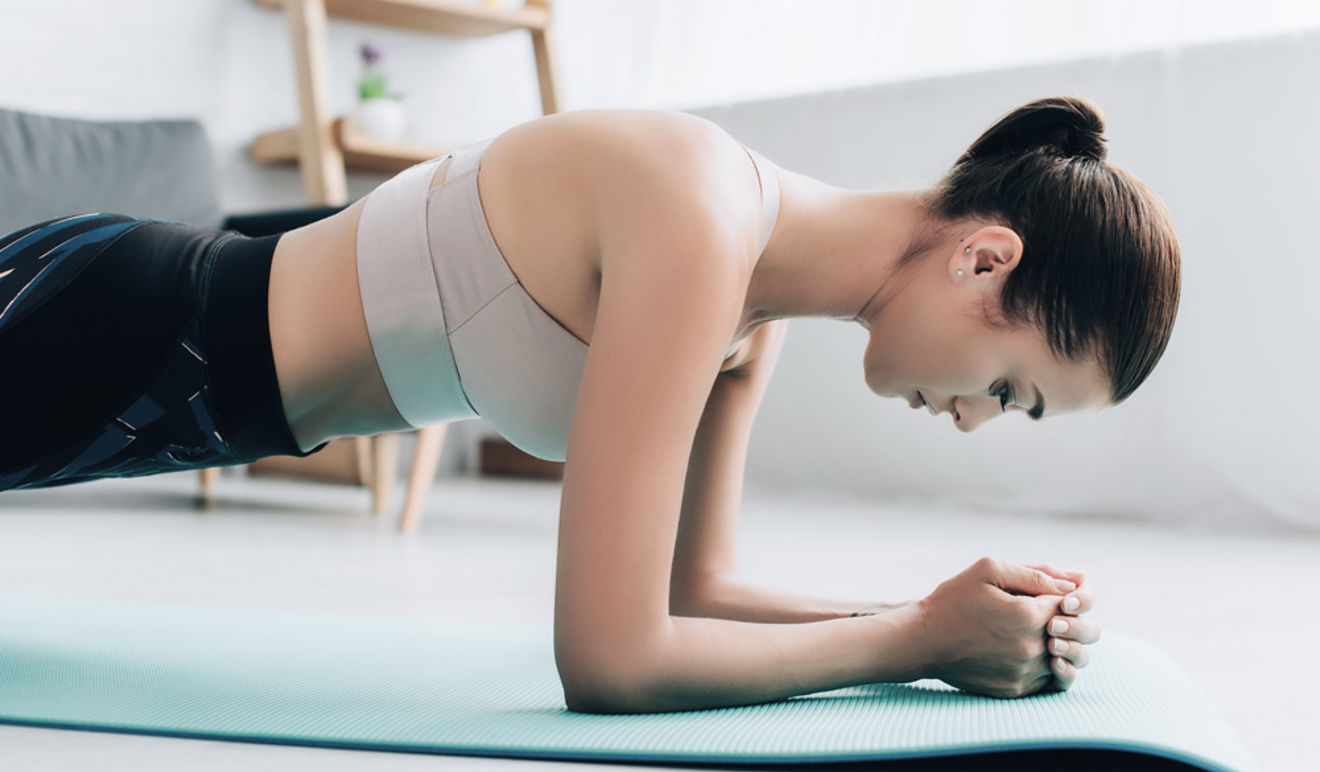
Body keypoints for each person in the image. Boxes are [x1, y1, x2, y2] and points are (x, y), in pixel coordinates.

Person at [0, 97, 1179, 713]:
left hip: (169, 405)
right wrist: (921, 640)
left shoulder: (742, 326)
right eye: (1013, 390)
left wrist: (946, 622)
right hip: (121, 329)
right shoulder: (697, 216)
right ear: (985, 261)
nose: (973, 418)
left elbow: (691, 596)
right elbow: (610, 659)